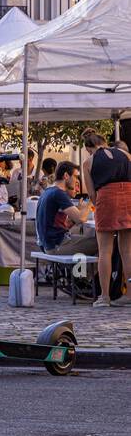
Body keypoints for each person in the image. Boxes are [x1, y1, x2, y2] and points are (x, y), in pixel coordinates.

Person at [80, 128, 131, 308]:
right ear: (104, 142)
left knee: (105, 251)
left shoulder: (88, 162)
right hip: (129, 196)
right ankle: (129, 293)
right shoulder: (125, 154)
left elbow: (91, 194)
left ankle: (105, 297)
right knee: (127, 251)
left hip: (107, 198)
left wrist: (99, 205)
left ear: (88, 148)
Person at [36, 161, 96, 256]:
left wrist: (78, 212)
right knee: (103, 244)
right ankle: (94, 271)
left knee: (92, 241)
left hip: (47, 245)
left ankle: (80, 270)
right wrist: (91, 201)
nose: (77, 181)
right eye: (76, 177)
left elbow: (62, 224)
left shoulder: (48, 192)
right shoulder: (59, 193)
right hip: (57, 245)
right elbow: (81, 219)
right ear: (66, 175)